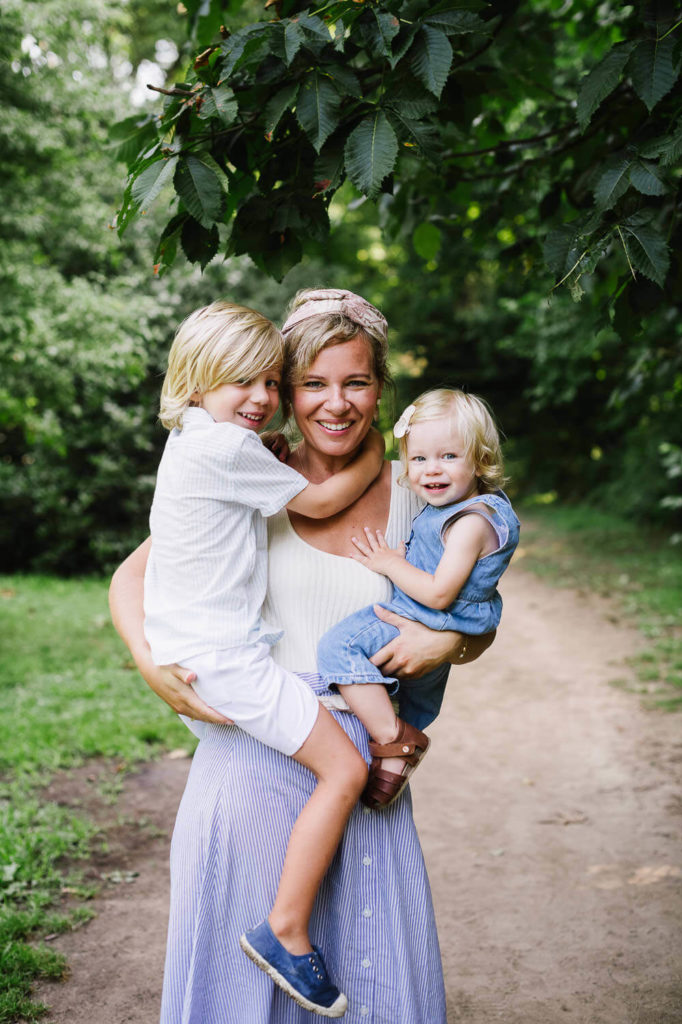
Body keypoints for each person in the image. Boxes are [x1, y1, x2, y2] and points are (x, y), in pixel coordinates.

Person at [109, 287, 495, 1024]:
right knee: (242, 989)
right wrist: (151, 665)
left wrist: (449, 638)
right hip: (254, 749)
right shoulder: (245, 474)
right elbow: (134, 578)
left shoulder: (424, 490)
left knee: (366, 974)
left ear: (381, 387)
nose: (335, 404)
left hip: (361, 768)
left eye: (356, 382)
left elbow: (474, 608)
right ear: (284, 390)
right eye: (311, 383)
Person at [144, 300, 387, 1017]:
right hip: (226, 657)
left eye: (269, 384)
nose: (260, 399)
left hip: (210, 652)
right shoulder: (223, 450)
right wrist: (375, 453)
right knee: (345, 765)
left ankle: (283, 922)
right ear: (193, 384)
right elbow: (319, 501)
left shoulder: (196, 439)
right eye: (238, 384)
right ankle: (284, 929)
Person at [317, 387, 520, 809]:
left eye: (449, 456)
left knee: (339, 647)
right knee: (415, 699)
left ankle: (393, 740)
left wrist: (391, 564)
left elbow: (440, 592)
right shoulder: (467, 508)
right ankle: (393, 767)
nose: (432, 470)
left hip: (425, 614)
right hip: (452, 627)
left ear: (480, 460)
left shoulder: (469, 522)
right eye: (419, 458)